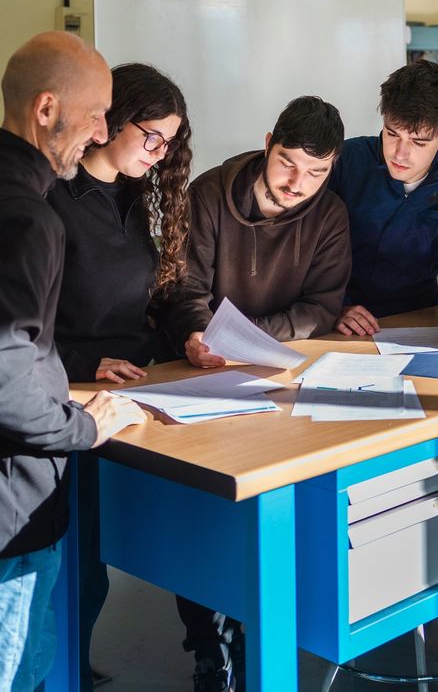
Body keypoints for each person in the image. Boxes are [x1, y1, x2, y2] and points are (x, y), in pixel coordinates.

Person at [160, 94, 351, 692]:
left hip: (281, 373)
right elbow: (183, 285)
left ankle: (252, 630)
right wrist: (196, 334)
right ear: (268, 141)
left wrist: (254, 339)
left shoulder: (330, 215)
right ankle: (207, 645)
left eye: (317, 172)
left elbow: (322, 306)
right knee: (200, 514)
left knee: (270, 514)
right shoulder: (211, 194)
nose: (299, 183)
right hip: (201, 369)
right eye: (289, 163)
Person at [0, 32, 146, 692]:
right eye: (96, 114)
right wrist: (82, 425)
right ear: (46, 108)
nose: (101, 130)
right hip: (12, 512)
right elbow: (5, 373)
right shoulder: (29, 219)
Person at [48, 63, 192, 692]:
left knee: (102, 558)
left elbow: (154, 296)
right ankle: (60, 675)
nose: (159, 155)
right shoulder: (50, 198)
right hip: (68, 396)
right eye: (151, 137)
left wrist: (191, 335)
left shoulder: (139, 201)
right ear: (109, 120)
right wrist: (84, 365)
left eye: (169, 143)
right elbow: (22, 327)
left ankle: (71, 668)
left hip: (131, 393)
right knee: (74, 565)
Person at [329, 59, 438, 348]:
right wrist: (334, 306)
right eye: (392, 134)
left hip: (416, 320)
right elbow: (302, 252)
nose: (400, 153)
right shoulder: (344, 162)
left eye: (418, 142)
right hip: (333, 320)